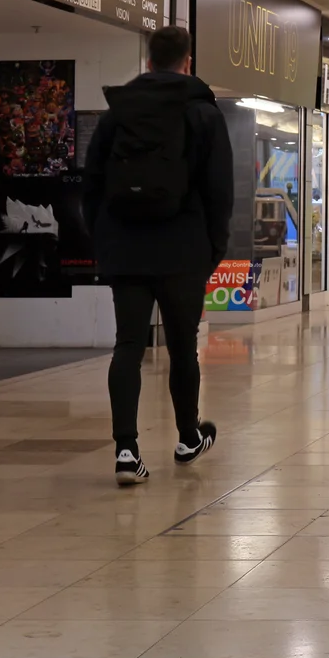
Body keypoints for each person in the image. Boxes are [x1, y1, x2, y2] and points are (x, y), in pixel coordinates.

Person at [83, 25, 231, 485]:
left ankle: (126, 451)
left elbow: (91, 187)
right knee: (182, 345)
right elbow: (220, 190)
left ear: (149, 62)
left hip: (126, 249)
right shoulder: (203, 113)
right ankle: (188, 436)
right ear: (187, 62)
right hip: (183, 249)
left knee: (128, 344)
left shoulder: (117, 114)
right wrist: (212, 250)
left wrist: (105, 241)